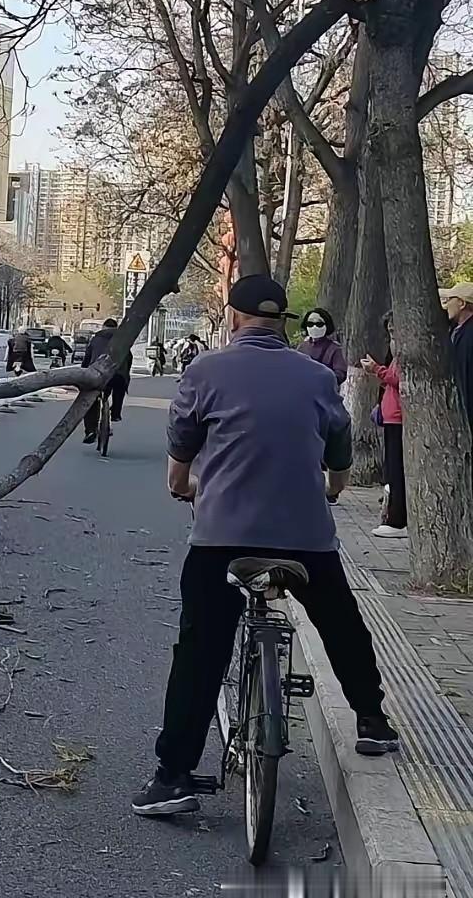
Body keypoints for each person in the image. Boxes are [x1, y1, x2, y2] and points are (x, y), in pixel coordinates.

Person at [133, 274, 397, 819]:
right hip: (306, 538)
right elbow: (339, 454)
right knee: (341, 622)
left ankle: (173, 776)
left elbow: (181, 449)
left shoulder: (205, 371)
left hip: (222, 538)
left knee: (200, 649)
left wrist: (183, 486)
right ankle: (372, 720)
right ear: (283, 324)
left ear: (233, 317)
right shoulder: (317, 376)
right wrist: (331, 490)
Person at [362, 314, 405, 537]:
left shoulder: (405, 353)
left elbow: (397, 379)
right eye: (389, 331)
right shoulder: (395, 354)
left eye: (394, 330)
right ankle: (393, 515)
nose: (392, 336)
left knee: (396, 470)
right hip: (390, 416)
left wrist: (376, 369)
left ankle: (398, 519)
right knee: (391, 469)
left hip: (399, 418)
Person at [82, 318, 132, 443]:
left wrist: (84, 373)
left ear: (103, 327)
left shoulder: (96, 339)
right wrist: (125, 374)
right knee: (119, 388)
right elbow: (129, 358)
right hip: (117, 375)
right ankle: (116, 413)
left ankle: (90, 430)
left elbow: (87, 358)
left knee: (91, 399)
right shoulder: (122, 339)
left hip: (97, 374)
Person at [440, 282, 473, 440]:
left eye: (450, 299)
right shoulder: (455, 330)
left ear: (461, 303)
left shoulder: (469, 333)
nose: (446, 305)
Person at [299, 307, 348, 385]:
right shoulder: (302, 347)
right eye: (310, 324)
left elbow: (340, 375)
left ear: (327, 325)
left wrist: (321, 378)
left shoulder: (335, 349)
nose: (314, 327)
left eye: (319, 324)